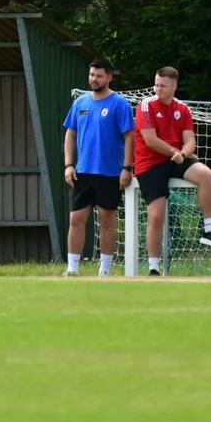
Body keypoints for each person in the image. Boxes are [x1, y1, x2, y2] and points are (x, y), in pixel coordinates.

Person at [134, 66, 211, 276]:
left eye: (163, 86)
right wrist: (175, 151)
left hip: (175, 158)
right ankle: (153, 267)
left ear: (175, 86)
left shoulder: (183, 108)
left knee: (205, 175)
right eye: (156, 84)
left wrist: (182, 155)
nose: (158, 89)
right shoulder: (145, 106)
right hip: (150, 162)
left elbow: (190, 142)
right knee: (156, 216)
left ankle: (208, 230)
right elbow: (150, 140)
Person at [62, 57, 135, 276]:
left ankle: (104, 270)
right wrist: (68, 164)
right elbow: (70, 134)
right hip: (83, 171)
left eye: (99, 76)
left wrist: (126, 168)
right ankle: (72, 269)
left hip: (110, 173)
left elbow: (130, 137)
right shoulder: (80, 103)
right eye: (92, 75)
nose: (94, 79)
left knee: (106, 220)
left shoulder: (120, 103)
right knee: (76, 218)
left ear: (109, 77)